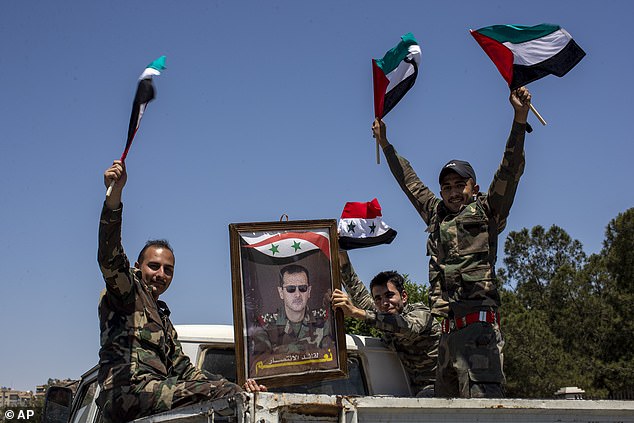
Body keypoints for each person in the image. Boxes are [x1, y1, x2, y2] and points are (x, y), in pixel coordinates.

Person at [371, 87, 532, 398]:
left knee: (482, 415)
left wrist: (519, 120)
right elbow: (410, 182)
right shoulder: (435, 213)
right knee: (443, 413)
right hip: (446, 336)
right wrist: (386, 144)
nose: (453, 191)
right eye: (447, 186)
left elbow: (510, 170)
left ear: (475, 187)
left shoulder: (488, 210)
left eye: (461, 184)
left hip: (478, 332)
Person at [96, 160, 265, 423]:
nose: (161, 274)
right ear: (137, 267)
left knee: (232, 393)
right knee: (227, 394)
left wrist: (238, 384)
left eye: (168, 270)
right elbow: (110, 256)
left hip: (152, 396)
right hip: (126, 393)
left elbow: (187, 371)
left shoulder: (163, 320)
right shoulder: (127, 293)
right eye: (154, 266)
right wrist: (114, 199)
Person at [332, 251, 441, 397]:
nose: (384, 303)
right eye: (378, 298)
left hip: (443, 388)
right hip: (415, 391)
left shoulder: (421, 314)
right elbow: (357, 290)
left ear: (403, 296)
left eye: (389, 295)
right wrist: (341, 253)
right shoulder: (382, 315)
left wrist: (355, 312)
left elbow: (406, 327)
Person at [251, 264, 332, 356]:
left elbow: (330, 360)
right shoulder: (265, 325)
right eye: (291, 289)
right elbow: (260, 364)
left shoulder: (323, 321)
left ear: (309, 291)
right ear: (281, 292)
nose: (297, 295)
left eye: (302, 288)